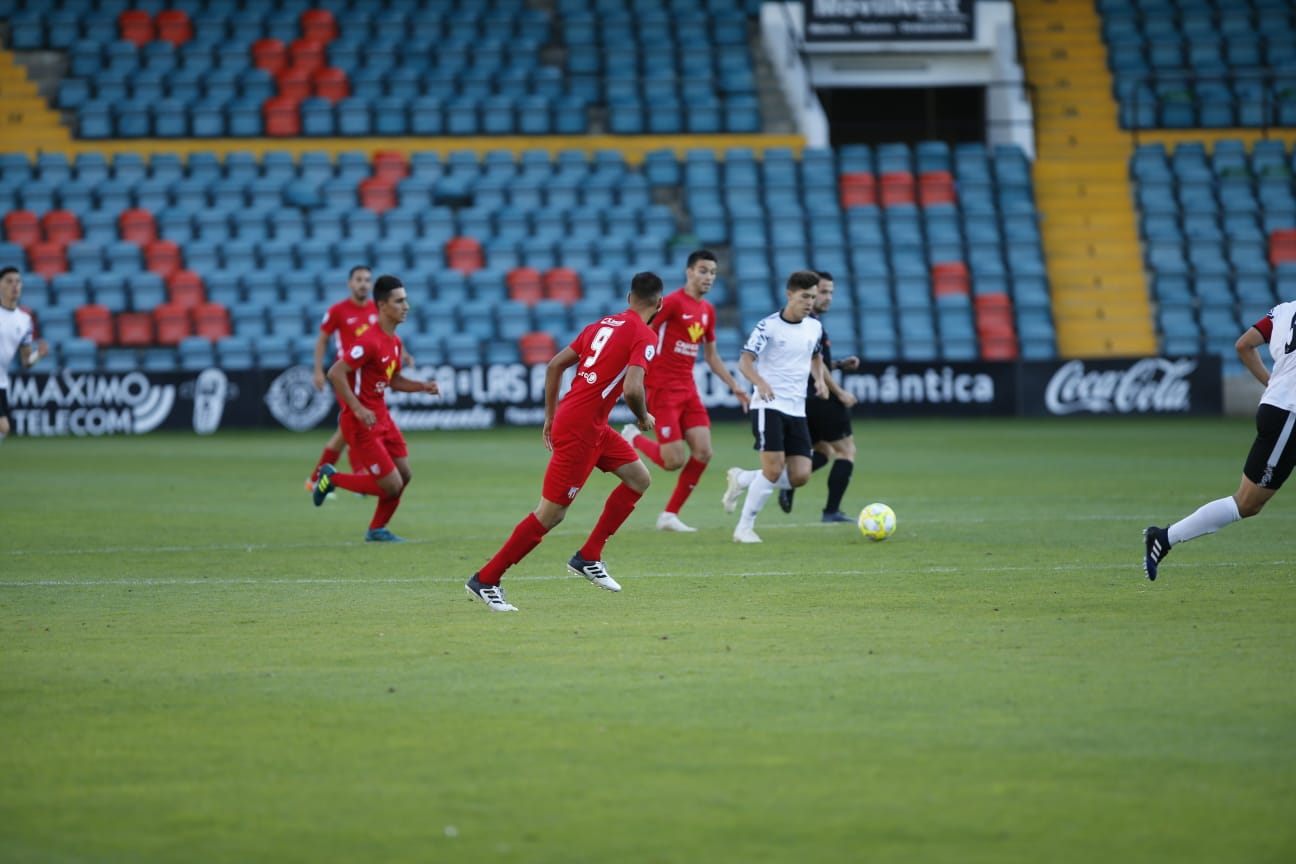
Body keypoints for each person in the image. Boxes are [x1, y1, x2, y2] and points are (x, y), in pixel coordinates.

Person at [466, 272, 664, 612]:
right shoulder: (643, 334)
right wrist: (643, 417)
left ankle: (589, 557)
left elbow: (555, 365)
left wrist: (549, 415)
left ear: (629, 297)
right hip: (581, 430)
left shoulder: (601, 324)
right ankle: (486, 579)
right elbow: (633, 388)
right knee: (551, 514)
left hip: (587, 422)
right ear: (659, 303)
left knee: (639, 478)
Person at [1144, 301, 1296, 580]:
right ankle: (1164, 538)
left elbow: (1244, 345)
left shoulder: (1285, 309)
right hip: (1290, 414)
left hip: (1279, 407)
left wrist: (1271, 382)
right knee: (1247, 503)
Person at [621, 250, 750, 532]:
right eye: (703, 271)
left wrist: (736, 387)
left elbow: (712, 356)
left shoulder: (708, 310)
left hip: (688, 389)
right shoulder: (672, 303)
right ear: (689, 272)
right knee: (673, 461)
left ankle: (669, 515)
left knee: (703, 452)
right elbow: (643, 328)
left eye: (713, 273)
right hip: (662, 388)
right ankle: (633, 437)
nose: (709, 277)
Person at [311, 275, 439, 541]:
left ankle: (377, 529)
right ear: (382, 305)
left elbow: (393, 380)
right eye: (399, 301)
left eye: (406, 300)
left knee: (404, 475)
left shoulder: (395, 342)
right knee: (391, 485)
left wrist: (422, 386)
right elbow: (336, 372)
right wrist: (357, 409)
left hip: (382, 417)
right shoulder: (368, 341)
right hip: (361, 422)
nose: (406, 306)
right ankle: (330, 478)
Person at [721, 270, 828, 543]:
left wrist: (820, 380)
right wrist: (760, 382)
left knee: (801, 475)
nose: (809, 303)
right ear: (789, 294)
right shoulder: (767, 326)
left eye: (813, 298)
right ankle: (744, 528)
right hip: (768, 406)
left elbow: (816, 357)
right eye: (805, 297)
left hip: (797, 408)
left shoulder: (814, 326)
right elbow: (744, 362)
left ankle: (743, 479)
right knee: (772, 470)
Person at [777, 271, 861, 523]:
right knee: (846, 451)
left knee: (822, 451)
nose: (827, 298)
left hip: (800, 398)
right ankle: (831, 511)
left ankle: (788, 483)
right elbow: (817, 368)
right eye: (822, 292)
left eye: (830, 293)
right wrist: (840, 392)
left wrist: (838, 364)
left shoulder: (798, 323)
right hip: (820, 397)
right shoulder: (810, 324)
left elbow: (812, 362)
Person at [0, 266, 49, 445]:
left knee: (4, 429)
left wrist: (38, 354)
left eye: (18, 282)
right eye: (9, 281)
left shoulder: (25, 321)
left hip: (2, 382)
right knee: (3, 427)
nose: (15, 286)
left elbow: (26, 361)